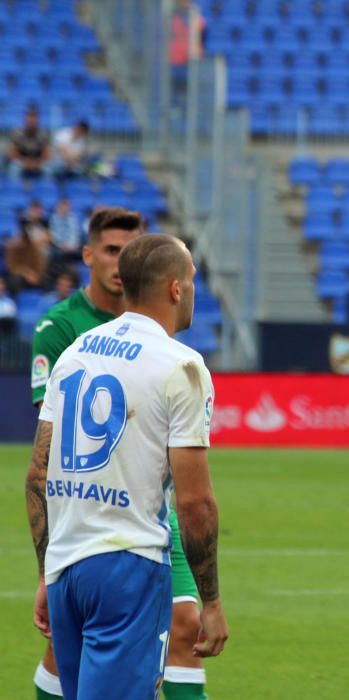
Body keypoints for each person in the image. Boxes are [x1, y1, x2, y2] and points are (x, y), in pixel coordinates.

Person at [25, 233, 228, 700]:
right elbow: (195, 502)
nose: (195, 289)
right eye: (193, 279)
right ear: (175, 289)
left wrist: (45, 570)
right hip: (128, 567)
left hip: (66, 566)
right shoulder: (183, 366)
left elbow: (38, 474)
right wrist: (211, 602)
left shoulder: (76, 352)